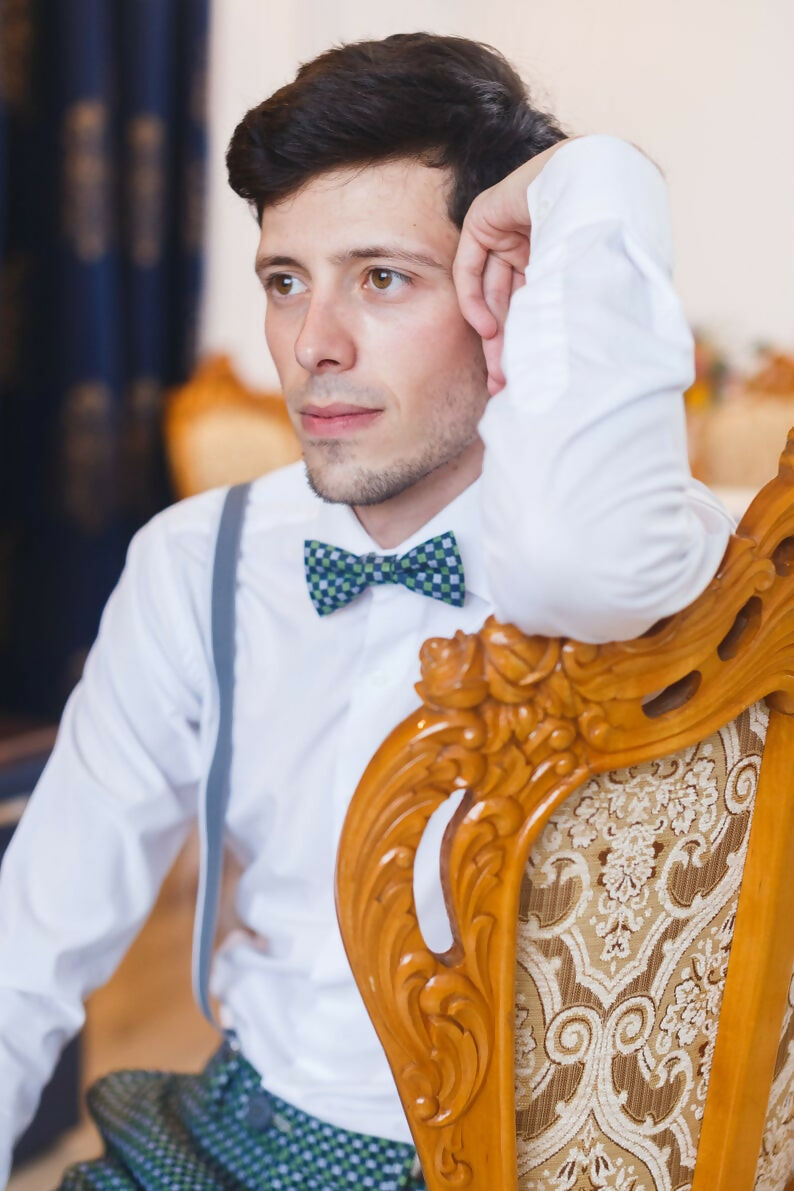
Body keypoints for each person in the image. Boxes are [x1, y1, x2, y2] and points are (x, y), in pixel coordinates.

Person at [0, 31, 731, 1191]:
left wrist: (601, 176)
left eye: (381, 278)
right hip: (252, 1131)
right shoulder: (199, 558)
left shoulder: (660, 551)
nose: (309, 346)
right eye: (286, 281)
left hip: (560, 1161)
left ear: (513, 288)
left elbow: (579, 564)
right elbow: (31, 936)